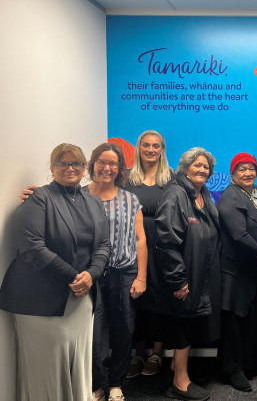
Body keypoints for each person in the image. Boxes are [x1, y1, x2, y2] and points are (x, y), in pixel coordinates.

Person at [0, 143, 110, 401]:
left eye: (76, 164)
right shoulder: (38, 198)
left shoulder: (93, 202)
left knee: (78, 365)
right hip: (39, 301)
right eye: (63, 164)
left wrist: (91, 275)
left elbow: (104, 244)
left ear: (85, 169)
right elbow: (33, 247)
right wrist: (74, 277)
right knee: (46, 372)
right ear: (52, 168)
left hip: (81, 299)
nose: (70, 168)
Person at [154, 147, 221, 401]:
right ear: (185, 168)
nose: (203, 170)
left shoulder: (202, 194)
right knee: (183, 322)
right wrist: (177, 278)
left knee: (191, 320)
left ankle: (177, 368)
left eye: (206, 167)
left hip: (200, 272)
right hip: (183, 274)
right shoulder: (176, 194)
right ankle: (179, 382)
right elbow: (166, 241)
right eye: (198, 165)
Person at [85, 143, 148, 401]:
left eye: (113, 163)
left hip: (124, 274)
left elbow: (140, 239)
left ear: (120, 168)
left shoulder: (130, 199)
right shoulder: (79, 196)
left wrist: (142, 277)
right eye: (102, 161)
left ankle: (116, 384)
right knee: (95, 334)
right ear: (93, 164)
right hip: (92, 277)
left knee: (124, 330)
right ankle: (98, 383)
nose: (107, 168)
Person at [218, 153, 257, 392]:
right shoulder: (230, 196)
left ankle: (249, 364)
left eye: (251, 168)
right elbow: (239, 234)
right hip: (236, 268)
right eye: (242, 169)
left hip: (253, 269)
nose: (248, 173)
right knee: (234, 319)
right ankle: (231, 369)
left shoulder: (255, 195)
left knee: (250, 317)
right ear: (233, 174)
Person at [125, 130, 174, 379]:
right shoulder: (127, 179)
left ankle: (156, 353)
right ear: (139, 148)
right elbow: (95, 191)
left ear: (162, 149)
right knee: (136, 300)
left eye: (156, 146)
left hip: (163, 247)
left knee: (160, 300)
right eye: (146, 145)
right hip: (132, 246)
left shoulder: (172, 178)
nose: (151, 150)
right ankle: (137, 352)